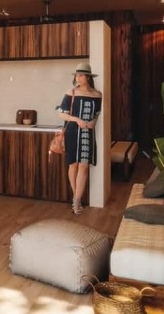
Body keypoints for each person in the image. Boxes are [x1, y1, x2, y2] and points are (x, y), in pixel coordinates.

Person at [56, 62, 102, 215]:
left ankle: (76, 200)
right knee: (74, 165)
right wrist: (77, 119)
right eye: (77, 75)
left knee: (84, 166)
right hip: (72, 132)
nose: (78, 77)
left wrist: (93, 122)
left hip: (87, 133)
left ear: (88, 77)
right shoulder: (71, 92)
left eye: (81, 75)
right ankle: (76, 199)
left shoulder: (97, 95)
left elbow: (96, 114)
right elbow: (61, 113)